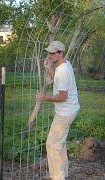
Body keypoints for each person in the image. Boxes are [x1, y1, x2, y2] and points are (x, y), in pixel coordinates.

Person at [36, 41, 80, 180]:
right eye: (49, 52)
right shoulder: (64, 64)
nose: (50, 55)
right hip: (69, 109)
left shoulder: (63, 70)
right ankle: (62, 174)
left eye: (53, 53)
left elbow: (62, 97)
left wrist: (44, 97)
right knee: (59, 144)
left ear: (61, 53)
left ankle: (57, 177)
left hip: (65, 112)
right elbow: (58, 79)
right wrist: (49, 68)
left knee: (52, 145)